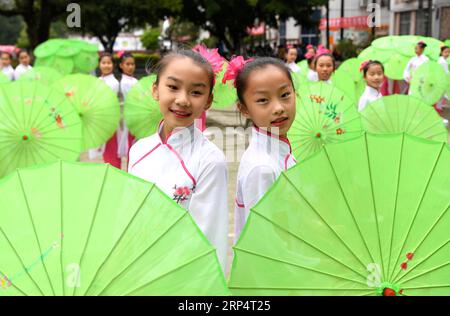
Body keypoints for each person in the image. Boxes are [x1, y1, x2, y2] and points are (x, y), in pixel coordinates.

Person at [128, 48, 229, 270]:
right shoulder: (138, 150)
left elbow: (210, 239)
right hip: (136, 271)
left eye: (196, 92)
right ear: (155, 90)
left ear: (209, 100)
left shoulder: (210, 161)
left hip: (181, 277)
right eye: (173, 87)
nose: (182, 100)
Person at [224, 56, 297, 241]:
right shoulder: (262, 168)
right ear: (244, 109)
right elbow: (264, 240)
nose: (279, 108)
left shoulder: (279, 150)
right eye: (263, 100)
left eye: (285, 95)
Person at [437, 45, 449, 126]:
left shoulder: (442, 60)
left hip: (441, 82)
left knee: (440, 100)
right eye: (446, 52)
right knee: (439, 100)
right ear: (441, 52)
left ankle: (438, 116)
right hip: (441, 83)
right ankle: (438, 118)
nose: (448, 54)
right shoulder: (442, 61)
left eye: (449, 52)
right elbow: (446, 73)